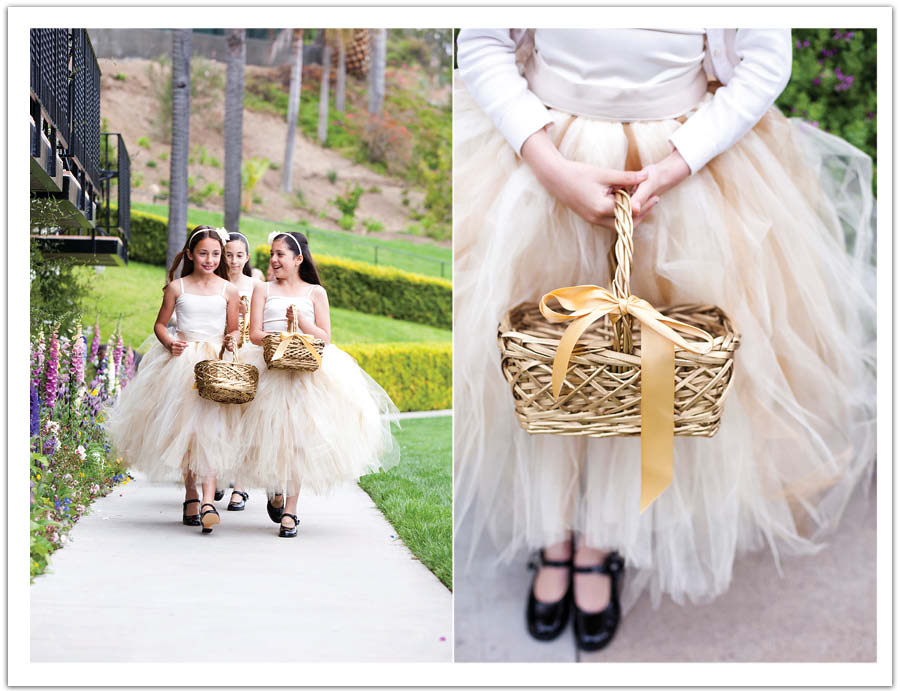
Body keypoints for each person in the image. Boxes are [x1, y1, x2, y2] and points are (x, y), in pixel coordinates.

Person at [454, 29, 876, 651]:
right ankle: (552, 534)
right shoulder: (545, 161)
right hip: (543, 160)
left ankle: (602, 538)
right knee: (545, 363)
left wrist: (680, 161)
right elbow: (484, 40)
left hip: (678, 173)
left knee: (646, 369)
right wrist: (550, 166)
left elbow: (764, 56)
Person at [239, 231, 399, 537]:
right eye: (272, 254)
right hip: (270, 367)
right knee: (267, 435)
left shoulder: (315, 293)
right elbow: (254, 334)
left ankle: (291, 511)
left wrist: (302, 324)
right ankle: (274, 489)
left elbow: (325, 336)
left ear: (298, 259)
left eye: (280, 255)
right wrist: (280, 338)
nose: (274, 260)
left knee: (299, 440)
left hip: (305, 374)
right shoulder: (263, 289)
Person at [107, 226, 243, 534]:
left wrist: (232, 341)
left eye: (216, 254)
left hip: (214, 363)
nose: (210, 259)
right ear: (191, 254)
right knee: (188, 431)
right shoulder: (177, 288)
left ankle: (208, 501)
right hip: (182, 364)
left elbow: (233, 328)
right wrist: (170, 343)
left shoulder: (228, 290)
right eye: (204, 253)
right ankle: (191, 493)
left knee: (213, 430)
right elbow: (160, 324)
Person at [215, 230, 264, 512]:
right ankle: (218, 474)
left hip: (248, 354)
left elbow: (261, 321)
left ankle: (241, 487)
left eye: (239, 255)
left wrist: (245, 313)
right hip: (221, 350)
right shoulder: (217, 283)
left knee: (245, 421)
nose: (233, 261)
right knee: (220, 420)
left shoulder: (255, 285)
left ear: (247, 258)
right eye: (229, 254)